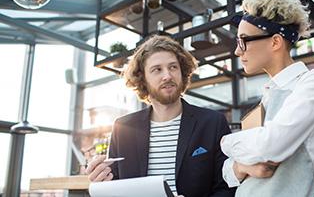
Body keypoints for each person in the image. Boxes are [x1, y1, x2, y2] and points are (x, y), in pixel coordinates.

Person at [220, 0, 314, 197]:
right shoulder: (269, 94)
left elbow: (272, 145)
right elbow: (228, 173)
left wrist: (226, 142)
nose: (237, 51)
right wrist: (242, 167)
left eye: (243, 40)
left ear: (275, 42)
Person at [86, 35, 236, 197]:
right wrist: (102, 181)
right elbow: (115, 187)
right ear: (143, 78)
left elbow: (227, 188)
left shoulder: (212, 123)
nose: (167, 76)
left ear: (182, 72)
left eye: (173, 67)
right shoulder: (123, 128)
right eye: (157, 69)